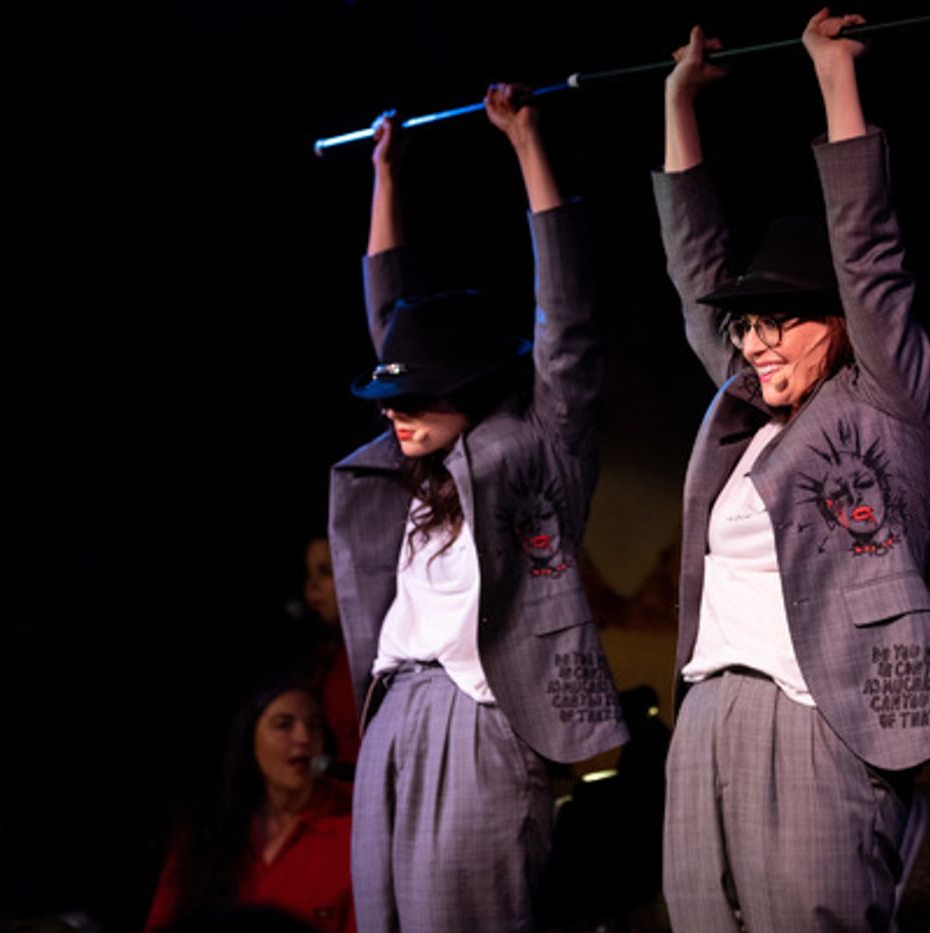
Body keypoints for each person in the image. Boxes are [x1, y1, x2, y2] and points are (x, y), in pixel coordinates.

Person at [653, 11, 930, 931]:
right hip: (711, 709)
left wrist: (836, 78)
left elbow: (869, 256)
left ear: (837, 322)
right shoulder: (744, 414)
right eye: (747, 328)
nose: (757, 345)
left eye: (782, 322)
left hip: (816, 715)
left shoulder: (888, 402)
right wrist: (678, 105)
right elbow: (696, 278)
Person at [328, 85, 628, 933]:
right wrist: (384, 177)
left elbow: (566, 323)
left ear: (467, 384)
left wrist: (528, 145)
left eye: (418, 392)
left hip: (481, 713)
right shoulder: (412, 461)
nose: (396, 408)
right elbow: (391, 318)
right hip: (395, 713)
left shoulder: (539, 446)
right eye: (393, 395)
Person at [146, 678, 355, 933]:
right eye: (284, 725)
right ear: (249, 739)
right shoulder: (207, 831)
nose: (303, 738)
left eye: (314, 726)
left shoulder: (351, 832)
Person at [300, 536, 360, 772]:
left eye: (325, 572)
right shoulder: (322, 659)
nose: (313, 586)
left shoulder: (372, 658)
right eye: (308, 576)